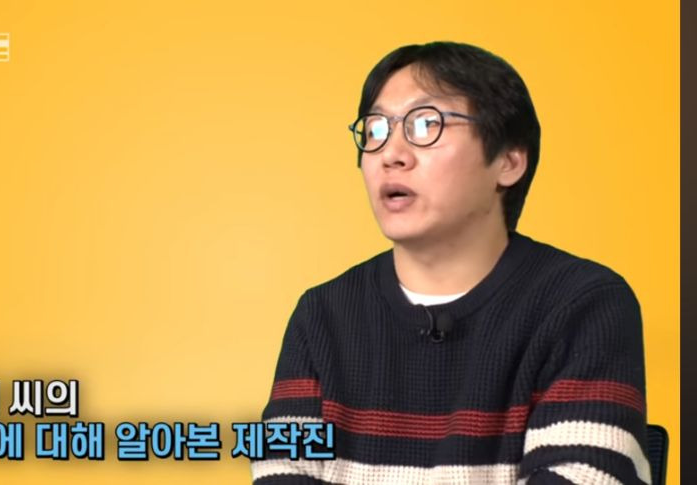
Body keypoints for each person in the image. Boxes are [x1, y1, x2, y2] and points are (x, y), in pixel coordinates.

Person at [251, 42, 649, 484]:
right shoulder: (323, 314)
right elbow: (279, 469)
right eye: (376, 129)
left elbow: (585, 474)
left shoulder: (582, 304)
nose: (391, 154)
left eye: (425, 124)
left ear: (508, 161)